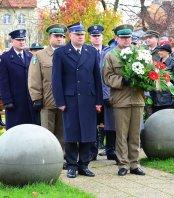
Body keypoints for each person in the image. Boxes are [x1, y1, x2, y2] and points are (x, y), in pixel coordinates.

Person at [52, 22, 103, 178]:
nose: (81, 37)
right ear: (70, 35)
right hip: (70, 99)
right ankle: (72, 165)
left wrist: (98, 100)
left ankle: (84, 165)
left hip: (88, 98)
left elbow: (96, 77)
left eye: (82, 34)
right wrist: (60, 101)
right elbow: (56, 79)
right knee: (71, 133)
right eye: (77, 34)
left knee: (88, 133)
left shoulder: (91, 52)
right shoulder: (61, 53)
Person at [103, 24, 146, 176]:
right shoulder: (111, 55)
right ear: (117, 38)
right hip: (121, 99)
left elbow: (147, 73)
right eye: (123, 37)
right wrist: (122, 80)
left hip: (137, 98)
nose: (126, 40)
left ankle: (134, 163)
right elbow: (107, 77)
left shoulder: (139, 53)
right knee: (121, 134)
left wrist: (144, 80)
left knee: (135, 133)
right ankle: (123, 164)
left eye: (128, 37)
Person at [28, 24, 67, 146]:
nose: (59, 38)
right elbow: (34, 78)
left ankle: (63, 157)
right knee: (47, 132)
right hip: (47, 100)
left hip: (66, 101)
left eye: (62, 36)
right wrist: (36, 98)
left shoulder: (69, 53)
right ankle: (47, 157)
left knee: (63, 133)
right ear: (50, 37)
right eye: (56, 36)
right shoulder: (39, 55)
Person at [0, 29, 36, 129]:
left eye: (23, 39)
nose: (22, 42)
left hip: (29, 100)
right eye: (19, 40)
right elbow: (3, 82)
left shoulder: (30, 56)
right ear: (12, 41)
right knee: (15, 129)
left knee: (30, 129)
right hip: (14, 101)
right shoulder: (4, 58)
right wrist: (7, 101)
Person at [87, 24, 107, 160]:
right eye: (94, 36)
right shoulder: (86, 51)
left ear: (102, 37)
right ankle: (92, 151)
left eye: (98, 36)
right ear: (90, 38)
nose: (96, 38)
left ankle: (110, 149)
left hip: (107, 91)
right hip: (91, 93)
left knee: (108, 122)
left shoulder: (109, 50)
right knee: (91, 122)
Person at [99, 38, 118, 162]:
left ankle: (121, 151)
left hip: (128, 96)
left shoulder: (134, 51)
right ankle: (110, 149)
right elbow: (104, 76)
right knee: (111, 123)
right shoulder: (108, 53)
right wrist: (106, 95)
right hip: (111, 94)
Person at [151, 44, 174, 112]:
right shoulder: (156, 64)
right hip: (156, 99)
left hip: (168, 100)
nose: (159, 52)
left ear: (168, 52)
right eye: (159, 50)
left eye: (161, 50)